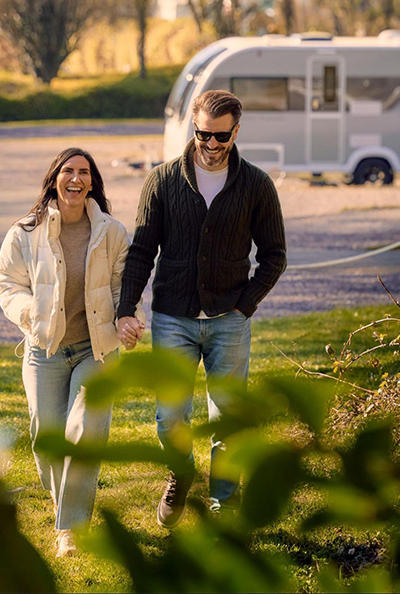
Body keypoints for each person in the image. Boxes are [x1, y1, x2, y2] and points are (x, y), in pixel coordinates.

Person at [115, 90, 287, 528]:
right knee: (169, 415)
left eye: (220, 137)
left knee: (227, 419)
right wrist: (126, 308)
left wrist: (245, 305)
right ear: (193, 128)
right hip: (172, 318)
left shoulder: (256, 185)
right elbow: (141, 252)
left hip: (229, 320)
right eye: (203, 135)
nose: (211, 145)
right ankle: (181, 473)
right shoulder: (163, 181)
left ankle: (224, 505)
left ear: (236, 131)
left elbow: (274, 255)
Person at [0, 148, 143, 557]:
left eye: (83, 172)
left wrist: (127, 318)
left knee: (86, 428)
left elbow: (122, 286)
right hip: (45, 349)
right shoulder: (26, 231)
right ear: (54, 179)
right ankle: (63, 497)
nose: (75, 179)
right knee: (47, 436)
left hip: (95, 350)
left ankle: (71, 531)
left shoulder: (111, 232)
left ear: (92, 181)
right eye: (68, 171)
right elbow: (8, 283)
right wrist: (31, 314)